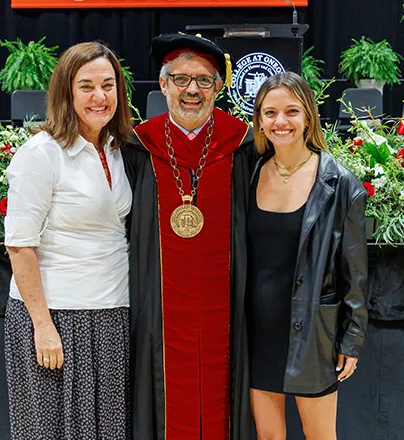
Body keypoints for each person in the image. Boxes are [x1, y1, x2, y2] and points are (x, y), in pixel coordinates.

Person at [122, 33, 255, 440]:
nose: (191, 90)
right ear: (163, 85)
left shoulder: (243, 145)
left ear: (219, 86)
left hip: (225, 307)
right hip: (159, 309)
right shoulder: (139, 147)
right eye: (180, 79)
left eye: (203, 80)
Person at [4, 41, 133, 439]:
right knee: (52, 431)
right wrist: (42, 326)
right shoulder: (41, 153)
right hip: (57, 316)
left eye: (108, 85)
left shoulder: (118, 148)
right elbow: (20, 246)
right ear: (66, 91)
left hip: (112, 313)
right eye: (87, 86)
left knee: (109, 431)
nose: (100, 97)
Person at [248, 71, 368, 440]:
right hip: (256, 331)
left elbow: (356, 272)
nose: (280, 121)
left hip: (313, 330)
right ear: (259, 121)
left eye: (291, 111)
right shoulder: (249, 172)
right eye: (270, 113)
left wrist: (352, 338)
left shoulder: (339, 183)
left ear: (308, 117)